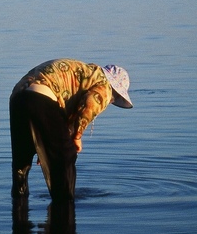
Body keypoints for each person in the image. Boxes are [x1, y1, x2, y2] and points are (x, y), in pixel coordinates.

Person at [9, 59, 133, 201]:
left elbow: (55, 122)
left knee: (21, 163)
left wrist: (44, 146)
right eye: (114, 97)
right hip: (42, 96)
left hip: (18, 97)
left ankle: (19, 209)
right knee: (67, 155)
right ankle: (64, 207)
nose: (111, 100)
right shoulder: (104, 84)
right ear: (115, 89)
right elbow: (90, 104)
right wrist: (77, 137)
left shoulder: (84, 74)